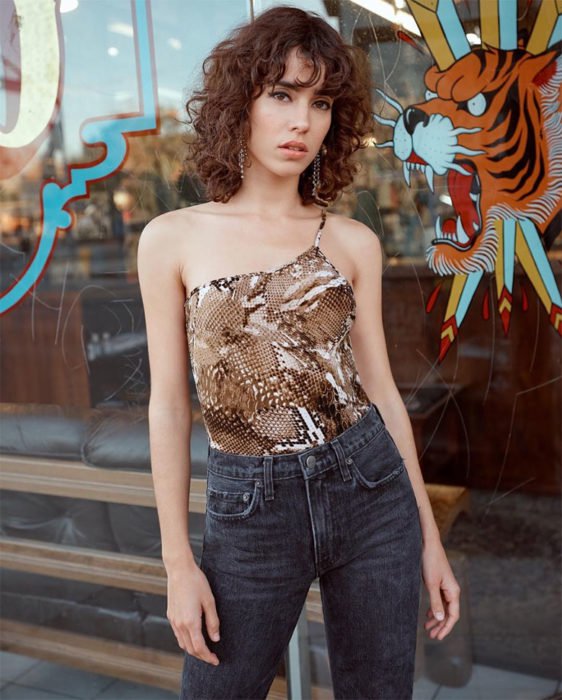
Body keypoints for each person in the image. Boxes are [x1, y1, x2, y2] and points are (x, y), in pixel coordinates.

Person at [137, 6, 460, 699]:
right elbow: (169, 406)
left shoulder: (352, 242)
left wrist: (430, 540)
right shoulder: (174, 238)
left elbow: (381, 392)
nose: (300, 121)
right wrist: (176, 564)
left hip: (371, 489)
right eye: (281, 94)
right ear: (240, 102)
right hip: (251, 507)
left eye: (319, 103)